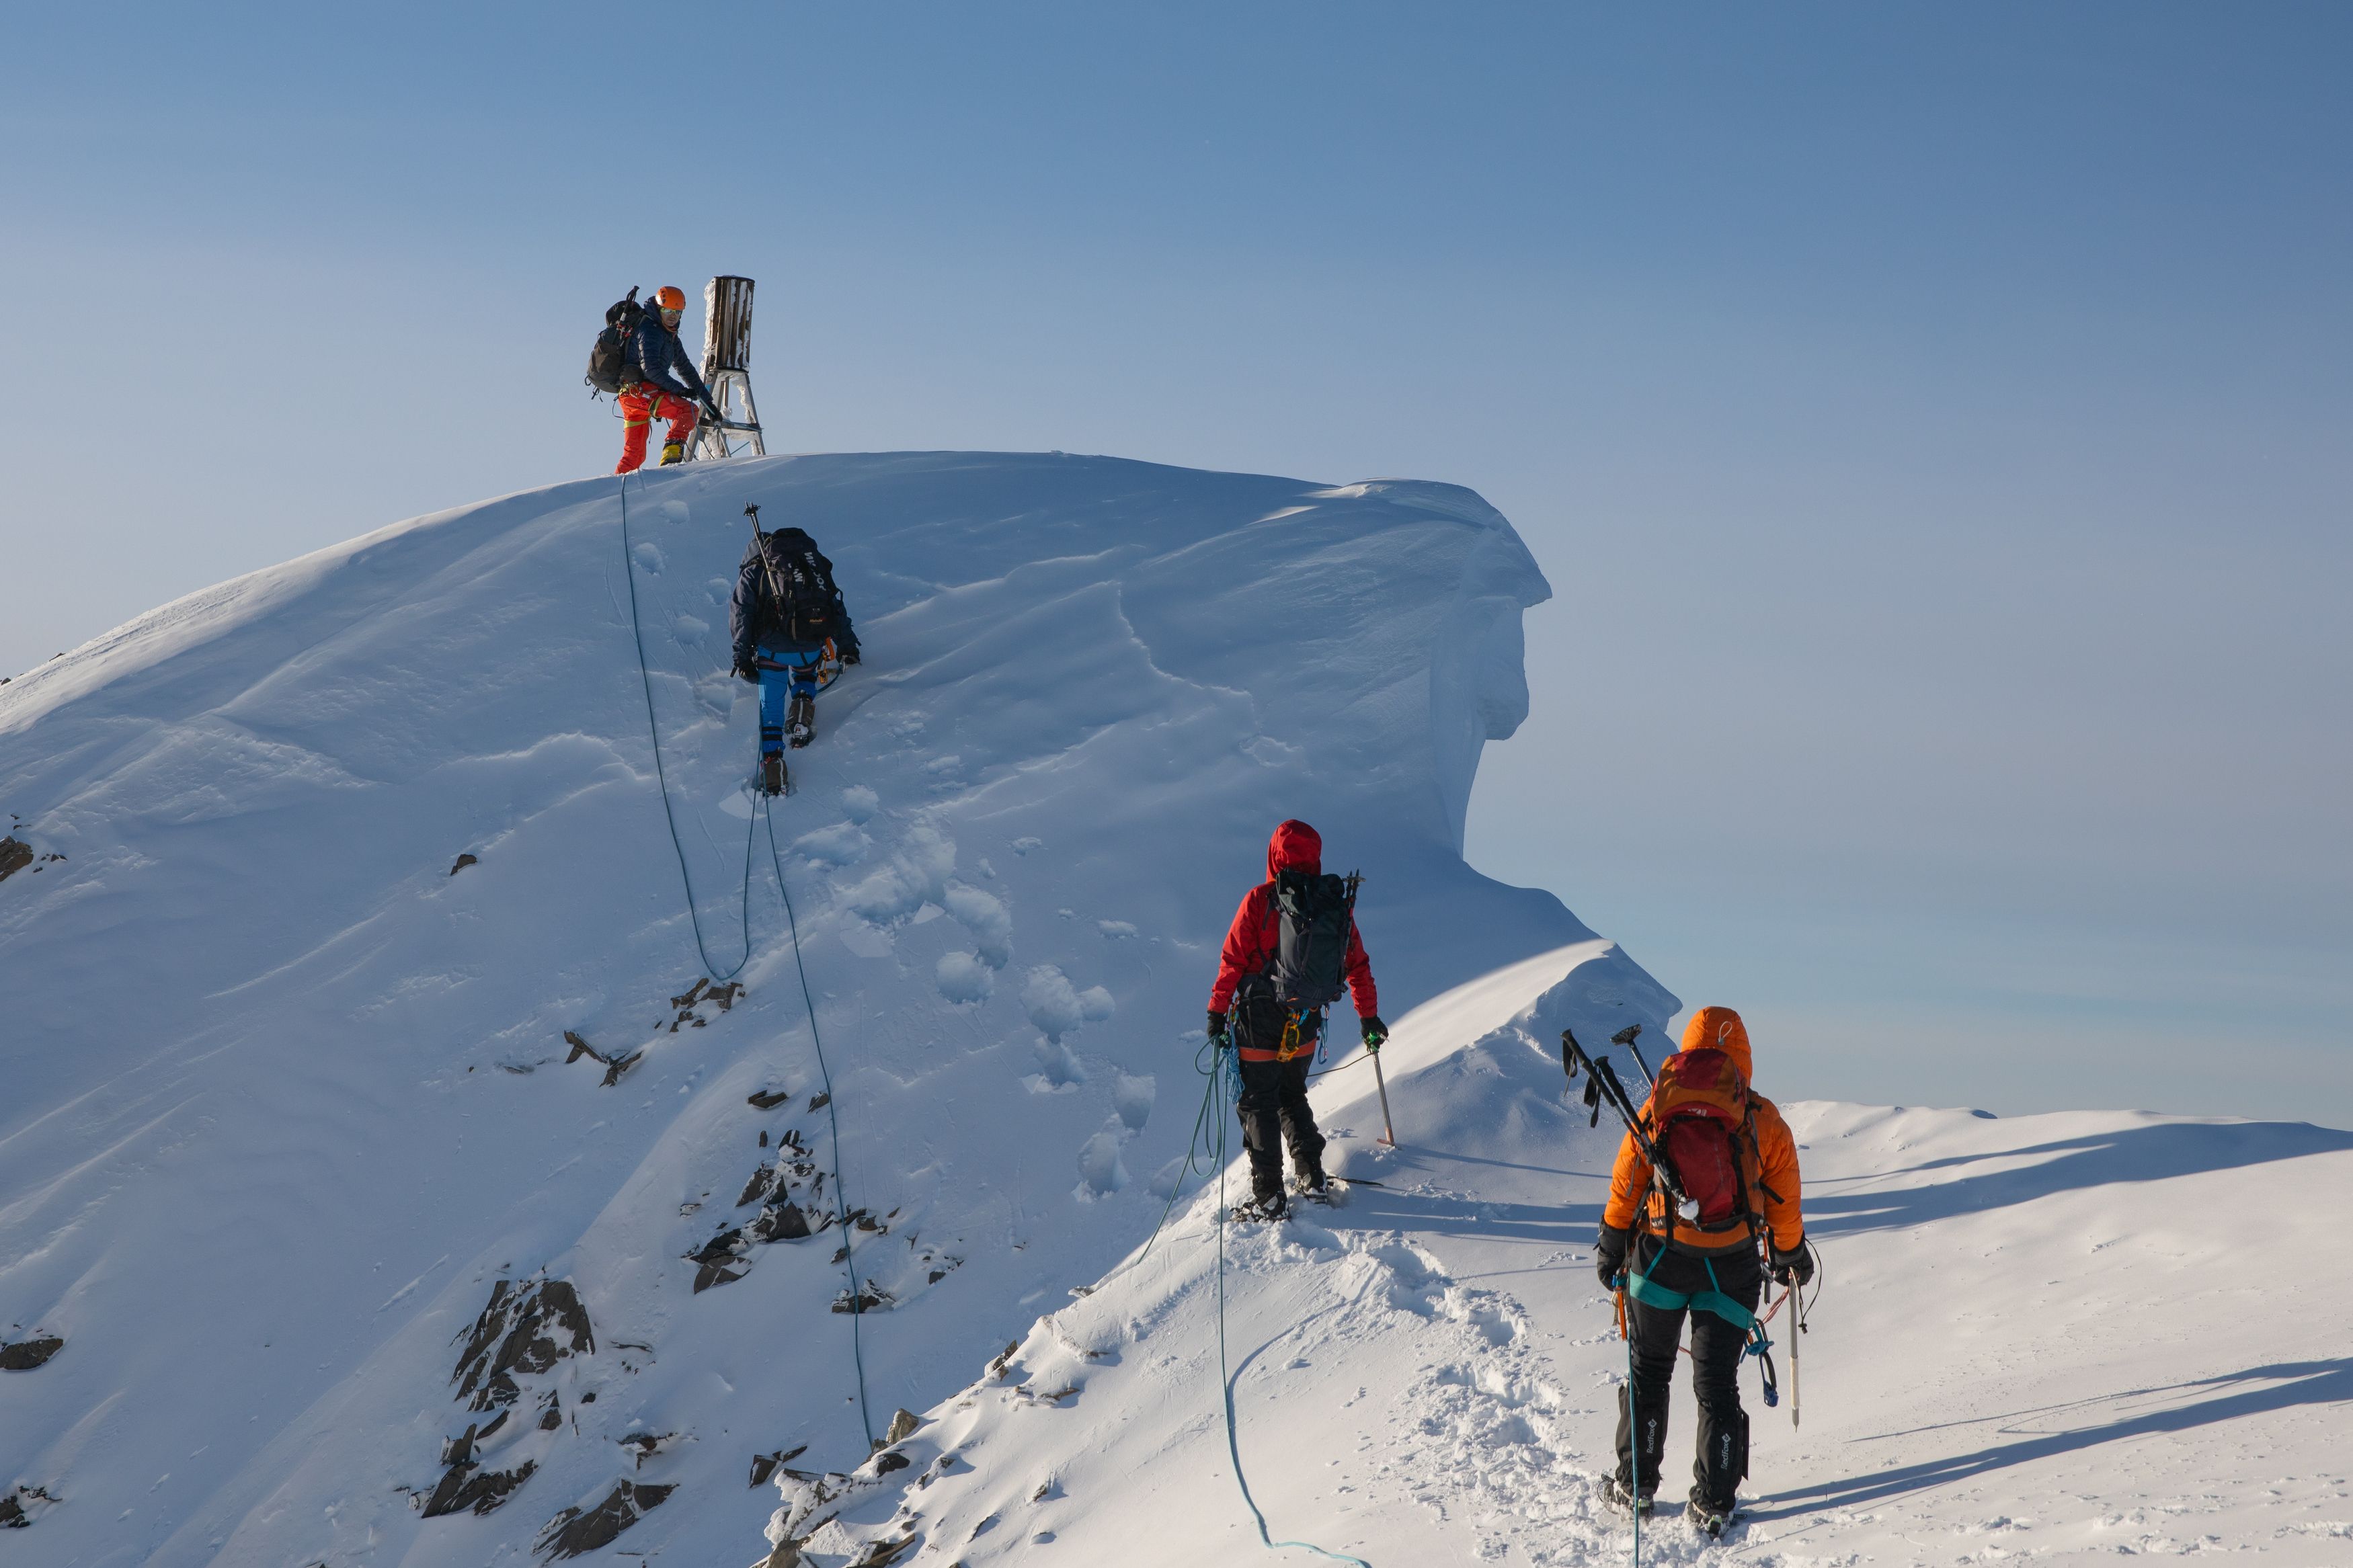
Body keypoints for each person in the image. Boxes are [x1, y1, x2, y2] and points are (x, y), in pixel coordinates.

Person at [1593, 1005, 1811, 1536]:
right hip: (1731, 1265)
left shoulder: (1661, 1105)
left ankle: (1636, 1486)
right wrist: (1790, 1254)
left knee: (1649, 1370)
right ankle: (1714, 1501)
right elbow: (1784, 1201)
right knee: (1716, 1382)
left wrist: (1613, 1241)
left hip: (1661, 1258)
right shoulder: (1763, 1118)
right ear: (1743, 1057)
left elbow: (1628, 1177)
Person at [1204, 820, 1386, 1217]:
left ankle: (1269, 1195)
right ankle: (1311, 1177)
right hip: (1305, 1020)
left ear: (1274, 855)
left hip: (1258, 1019)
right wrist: (1368, 1018)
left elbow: (1233, 960)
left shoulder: (1260, 900)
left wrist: (1217, 1012)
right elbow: (1358, 965)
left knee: (1259, 1103)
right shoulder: (1331, 905)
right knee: (1291, 1096)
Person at [729, 523, 860, 794]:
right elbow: (835, 607)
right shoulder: (810, 568)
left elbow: (742, 615)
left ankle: (773, 763)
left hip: (771, 651)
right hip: (810, 645)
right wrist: (847, 646)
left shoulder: (755, 572)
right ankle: (801, 705)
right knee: (804, 674)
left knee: (771, 708)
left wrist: (742, 658)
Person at [614, 285, 719, 473]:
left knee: (635, 455)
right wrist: (679, 390)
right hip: (641, 393)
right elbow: (651, 370)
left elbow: (686, 369)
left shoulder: (670, 336)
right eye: (668, 311)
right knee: (688, 411)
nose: (673, 316)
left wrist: (709, 404)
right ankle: (670, 460)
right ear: (659, 308)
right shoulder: (650, 330)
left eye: (678, 312)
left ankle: (615, 487)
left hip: (633, 397)